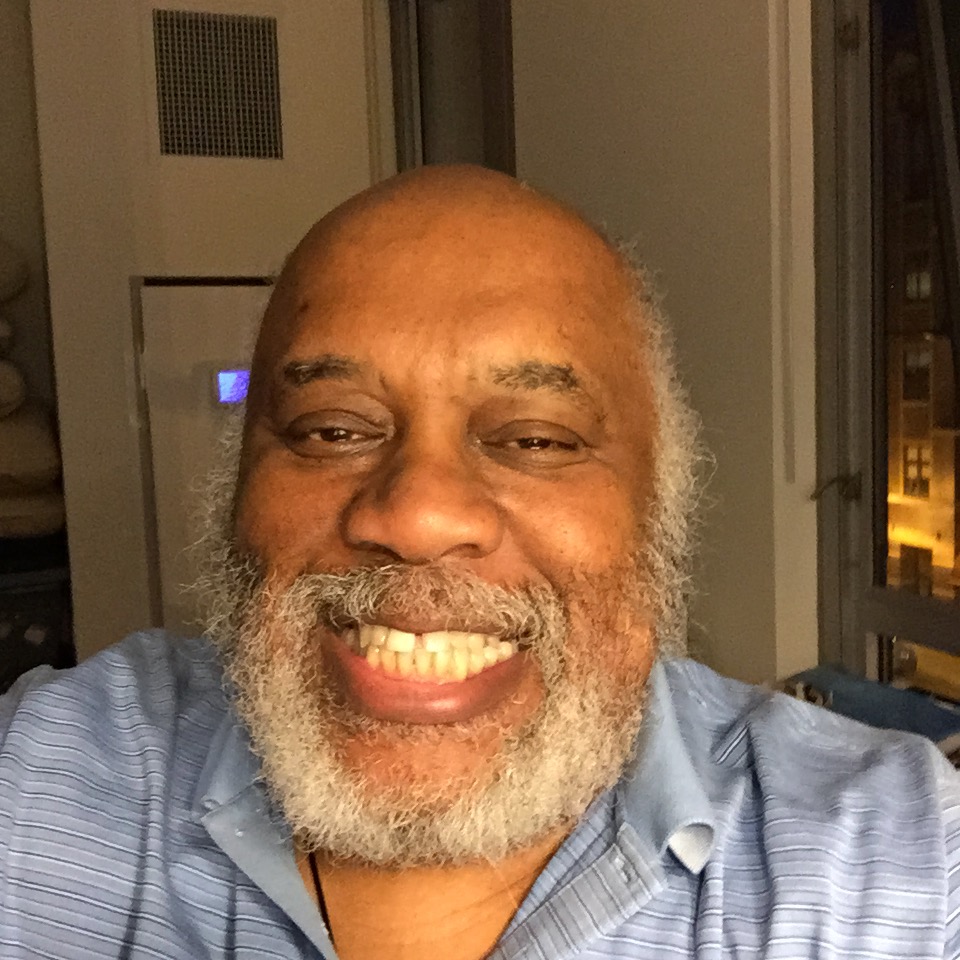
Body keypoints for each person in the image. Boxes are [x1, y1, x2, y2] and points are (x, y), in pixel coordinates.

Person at [1, 165, 958, 960]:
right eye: (331, 428)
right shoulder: (41, 774)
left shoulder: (900, 859)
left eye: (537, 439)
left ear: (661, 508)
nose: (416, 513)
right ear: (239, 491)